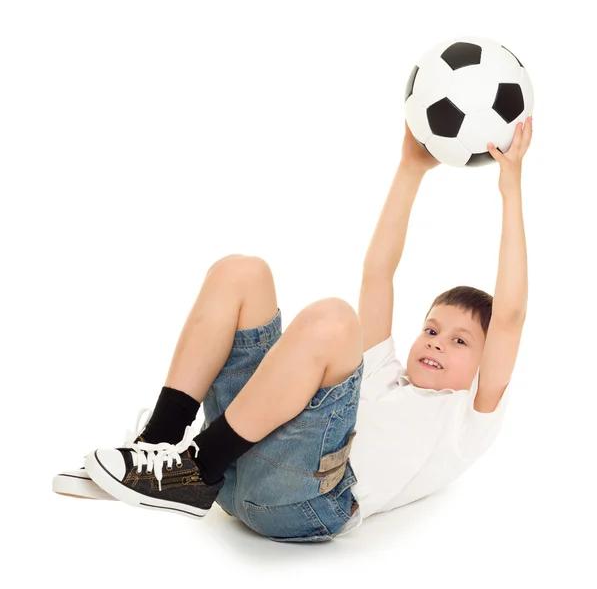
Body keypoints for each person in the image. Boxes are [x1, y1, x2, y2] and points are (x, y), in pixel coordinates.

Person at [53, 116, 533, 542]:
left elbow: (510, 315)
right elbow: (377, 274)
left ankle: (193, 468)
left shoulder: (467, 416)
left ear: (484, 366)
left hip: (304, 503)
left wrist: (510, 185)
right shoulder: (386, 370)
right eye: (431, 329)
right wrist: (410, 168)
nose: (436, 342)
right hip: (238, 469)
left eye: (460, 340)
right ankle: (158, 447)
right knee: (242, 271)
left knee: (334, 319)